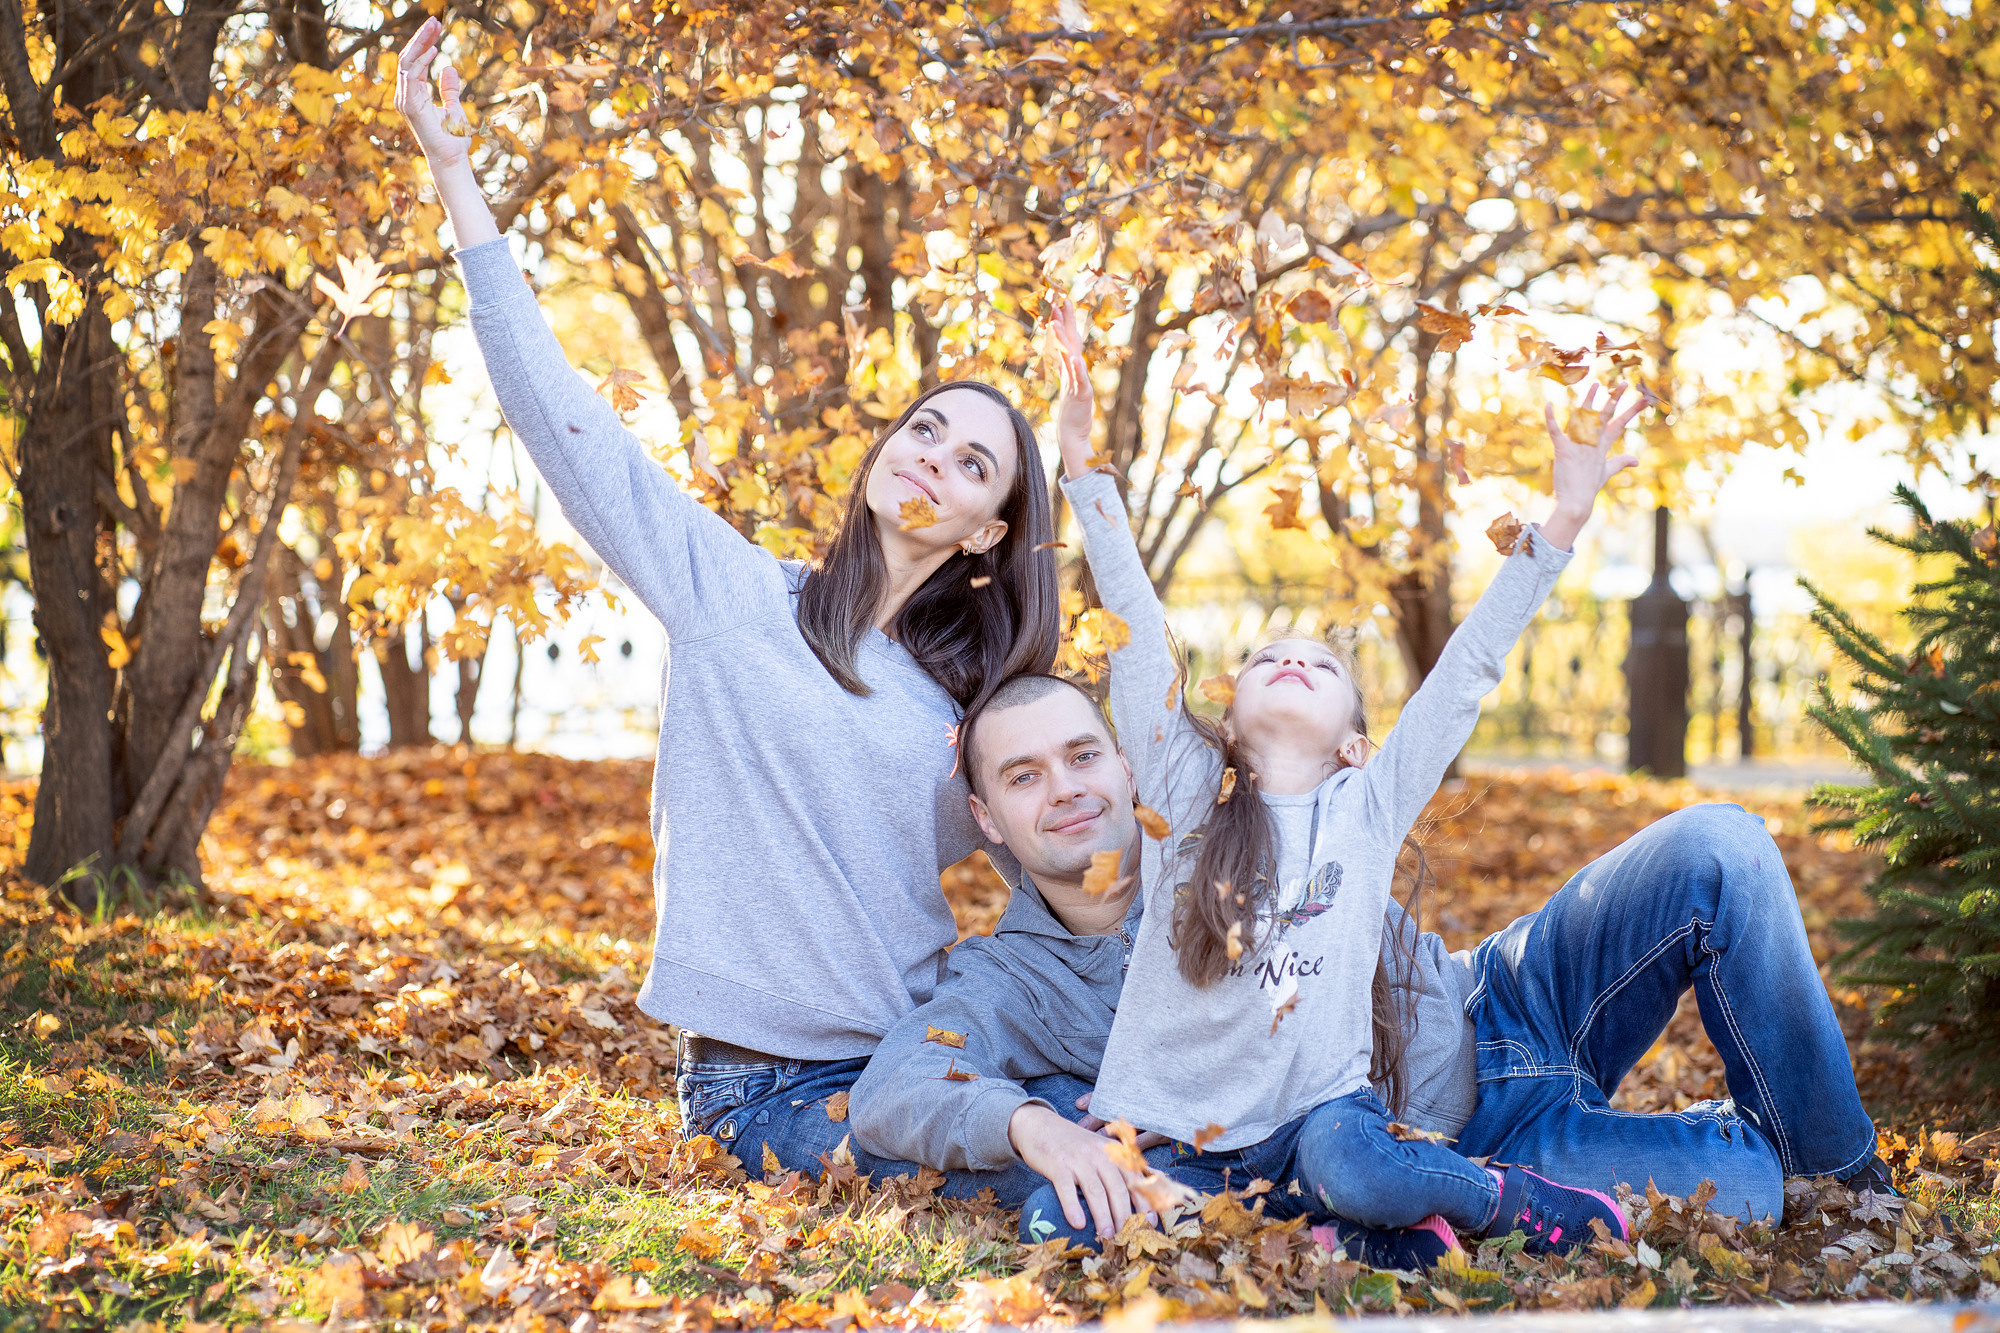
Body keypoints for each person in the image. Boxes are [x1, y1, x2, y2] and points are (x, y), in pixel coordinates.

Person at [392, 17, 1083, 1189]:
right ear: (883, 448)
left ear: (988, 531)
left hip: (931, 1054)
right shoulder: (729, 595)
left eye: (975, 464)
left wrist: (1092, 487)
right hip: (766, 1087)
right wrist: (458, 177)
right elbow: (566, 422)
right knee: (1034, 1180)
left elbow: (1080, 874)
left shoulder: (971, 707)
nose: (933, 458)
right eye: (924, 428)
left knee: (1146, 1129)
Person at [1045, 304, 1895, 1248]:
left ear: (1357, 744)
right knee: (1741, 1188)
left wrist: (1563, 518)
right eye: (1267, 660)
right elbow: (1133, 639)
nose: (1296, 662)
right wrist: (1084, 468)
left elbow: (1462, 677)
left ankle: (1841, 1171)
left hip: (1508, 996)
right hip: (1480, 1136)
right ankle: (1717, 1157)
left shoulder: (1365, 804)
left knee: (1724, 841)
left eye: (1323, 665)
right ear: (1224, 717)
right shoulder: (1188, 807)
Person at [850, 673, 1459, 1270]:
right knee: (1058, 1212)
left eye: (1083, 756)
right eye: (1025, 776)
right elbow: (895, 1084)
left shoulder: (1242, 853)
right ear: (986, 819)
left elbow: (1423, 1000)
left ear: (1126, 766)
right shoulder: (1010, 975)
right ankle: (1310, 1230)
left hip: (1493, 1022)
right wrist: (1035, 1128)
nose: (1063, 789)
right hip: (1289, 1179)